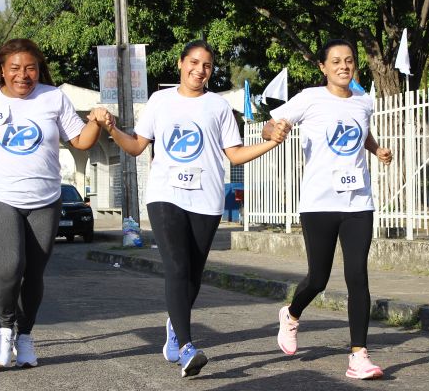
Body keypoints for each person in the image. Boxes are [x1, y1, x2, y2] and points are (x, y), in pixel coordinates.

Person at [94, 40, 291, 378]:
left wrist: (269, 143)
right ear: (180, 62)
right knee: (177, 267)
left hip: (206, 198)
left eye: (207, 66)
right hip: (165, 194)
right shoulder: (160, 101)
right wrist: (111, 128)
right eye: (194, 62)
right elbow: (137, 146)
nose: (200, 70)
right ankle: (186, 347)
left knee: (193, 275)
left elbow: (234, 154)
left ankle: (175, 325)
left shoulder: (217, 107)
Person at [0, 38, 106, 369]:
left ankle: (24, 335)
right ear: (2, 71)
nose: (23, 75)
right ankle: (4, 328)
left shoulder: (53, 98)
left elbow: (80, 141)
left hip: (46, 200)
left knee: (34, 272)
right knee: (10, 267)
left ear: (39, 70)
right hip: (0, 198)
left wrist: (95, 122)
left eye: (30, 68)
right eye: (15, 68)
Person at [262, 39, 392, 380]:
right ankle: (291, 315)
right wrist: (274, 130)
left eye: (349, 61)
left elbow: (360, 133)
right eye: (335, 61)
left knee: (357, 276)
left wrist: (377, 150)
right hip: (319, 203)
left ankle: (359, 355)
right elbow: (270, 123)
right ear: (323, 67)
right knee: (318, 278)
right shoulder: (310, 98)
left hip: (358, 203)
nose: (343, 66)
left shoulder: (364, 102)